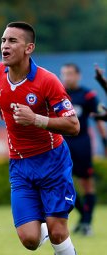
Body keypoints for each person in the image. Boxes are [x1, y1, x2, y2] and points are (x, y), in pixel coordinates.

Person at [0, 22, 79, 255]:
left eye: (12, 41)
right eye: (3, 40)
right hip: (20, 166)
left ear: (29, 48)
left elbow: (74, 125)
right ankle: (47, 226)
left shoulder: (48, 81)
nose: (5, 45)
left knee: (59, 233)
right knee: (29, 240)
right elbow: (2, 87)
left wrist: (36, 119)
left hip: (52, 163)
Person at [60, 63, 107, 236]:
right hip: (62, 145)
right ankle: (84, 218)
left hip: (82, 144)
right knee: (64, 184)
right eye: (64, 74)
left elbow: (99, 118)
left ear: (78, 75)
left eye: (70, 73)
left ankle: (87, 223)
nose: (67, 77)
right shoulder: (58, 93)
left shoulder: (88, 95)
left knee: (86, 183)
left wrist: (104, 141)